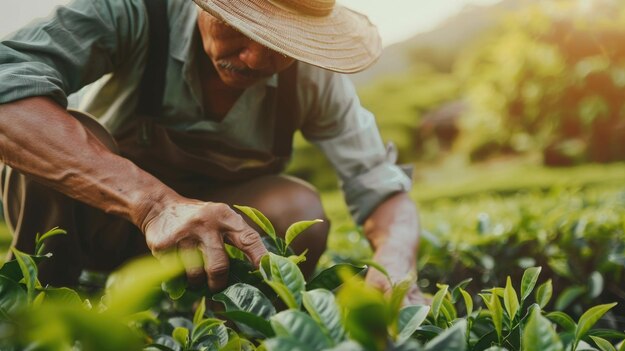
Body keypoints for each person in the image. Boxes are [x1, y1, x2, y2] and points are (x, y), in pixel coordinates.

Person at [0, 0, 422, 303]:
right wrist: (155, 205)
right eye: (241, 23)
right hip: (97, 229)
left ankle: (225, 316)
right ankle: (45, 302)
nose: (256, 58)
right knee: (50, 133)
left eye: (282, 43)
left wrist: (398, 265)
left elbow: (379, 183)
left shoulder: (314, 79)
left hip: (209, 253)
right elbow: (7, 89)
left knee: (297, 206)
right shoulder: (131, 11)